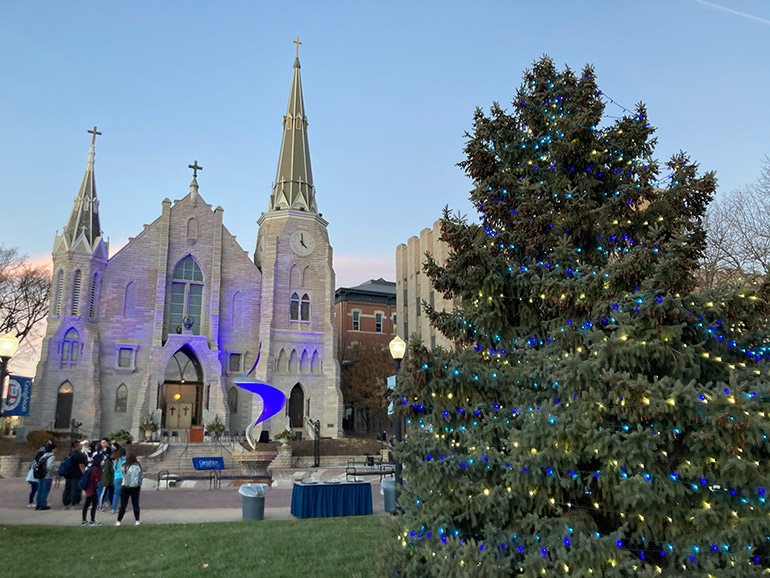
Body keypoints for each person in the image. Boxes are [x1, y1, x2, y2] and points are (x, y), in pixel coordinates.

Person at [116, 453, 143, 526]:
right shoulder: (138, 466)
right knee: (135, 503)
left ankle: (119, 520)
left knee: (123, 504)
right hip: (135, 486)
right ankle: (137, 520)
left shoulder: (124, 466)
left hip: (125, 486)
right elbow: (140, 475)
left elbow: (123, 474)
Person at [62, 440, 87, 509]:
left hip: (69, 473)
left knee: (68, 488)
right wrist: (84, 473)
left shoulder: (71, 454)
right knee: (75, 489)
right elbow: (81, 465)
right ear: (77, 446)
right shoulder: (80, 455)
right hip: (77, 474)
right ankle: (74, 503)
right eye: (80, 445)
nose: (81, 446)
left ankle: (66, 502)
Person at [81, 454, 103, 526]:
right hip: (92, 488)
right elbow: (99, 478)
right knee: (94, 504)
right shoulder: (96, 469)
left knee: (86, 504)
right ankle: (92, 520)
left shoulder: (91, 468)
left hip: (88, 488)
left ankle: (84, 520)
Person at [35, 442, 56, 510]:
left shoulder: (43, 456)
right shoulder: (51, 456)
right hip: (47, 475)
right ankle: (43, 505)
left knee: (40, 490)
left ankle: (38, 504)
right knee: (45, 490)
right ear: (52, 449)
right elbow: (49, 466)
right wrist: (54, 472)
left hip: (41, 475)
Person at [110, 447, 126, 514]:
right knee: (124, 494)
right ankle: (122, 507)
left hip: (116, 477)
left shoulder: (116, 460)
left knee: (116, 493)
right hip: (124, 477)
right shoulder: (126, 459)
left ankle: (113, 508)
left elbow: (114, 468)